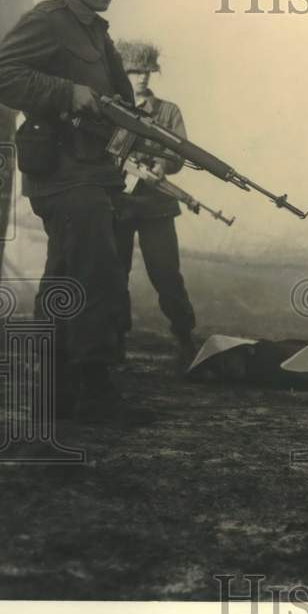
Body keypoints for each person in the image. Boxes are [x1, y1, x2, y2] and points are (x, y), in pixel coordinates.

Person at [0, 0, 153, 425]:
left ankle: (55, 397)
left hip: (91, 171)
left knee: (66, 275)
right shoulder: (49, 22)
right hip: (62, 173)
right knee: (95, 271)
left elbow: (115, 98)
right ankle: (94, 391)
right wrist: (65, 92)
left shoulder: (97, 33)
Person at [112, 40, 198, 371]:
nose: (142, 78)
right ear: (123, 72)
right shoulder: (113, 108)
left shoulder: (167, 111)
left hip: (157, 204)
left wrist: (165, 166)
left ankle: (185, 339)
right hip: (118, 201)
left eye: (147, 71)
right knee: (115, 274)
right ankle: (115, 341)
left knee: (166, 274)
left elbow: (179, 151)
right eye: (135, 71)